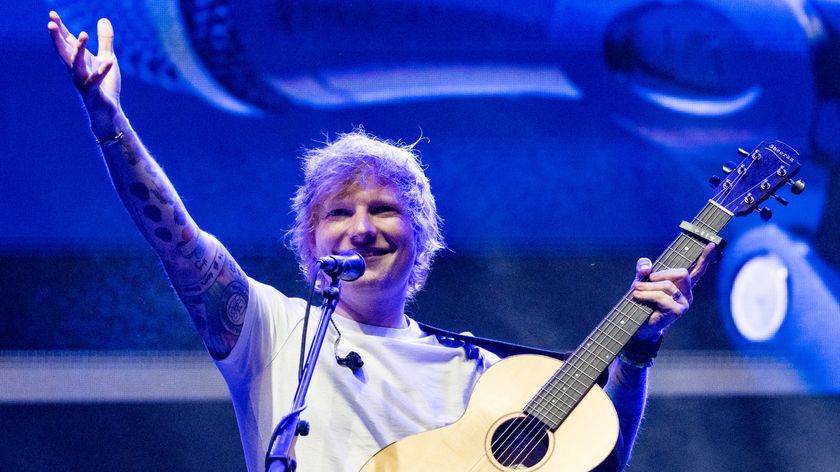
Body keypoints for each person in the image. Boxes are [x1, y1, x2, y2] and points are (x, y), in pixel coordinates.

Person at [48, 12, 714, 472]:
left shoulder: (484, 374)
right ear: (309, 246)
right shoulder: (274, 332)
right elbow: (179, 244)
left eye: (384, 210)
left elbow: (601, 456)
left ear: (420, 240)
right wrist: (110, 122)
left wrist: (637, 355)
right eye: (338, 212)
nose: (361, 226)